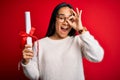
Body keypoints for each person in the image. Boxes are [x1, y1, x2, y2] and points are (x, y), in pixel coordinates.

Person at [21, 2, 104, 80]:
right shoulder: (39, 44)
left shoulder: (78, 41)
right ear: (54, 20)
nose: (66, 22)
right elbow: (34, 76)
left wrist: (81, 30)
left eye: (70, 19)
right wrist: (26, 62)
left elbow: (97, 56)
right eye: (61, 18)